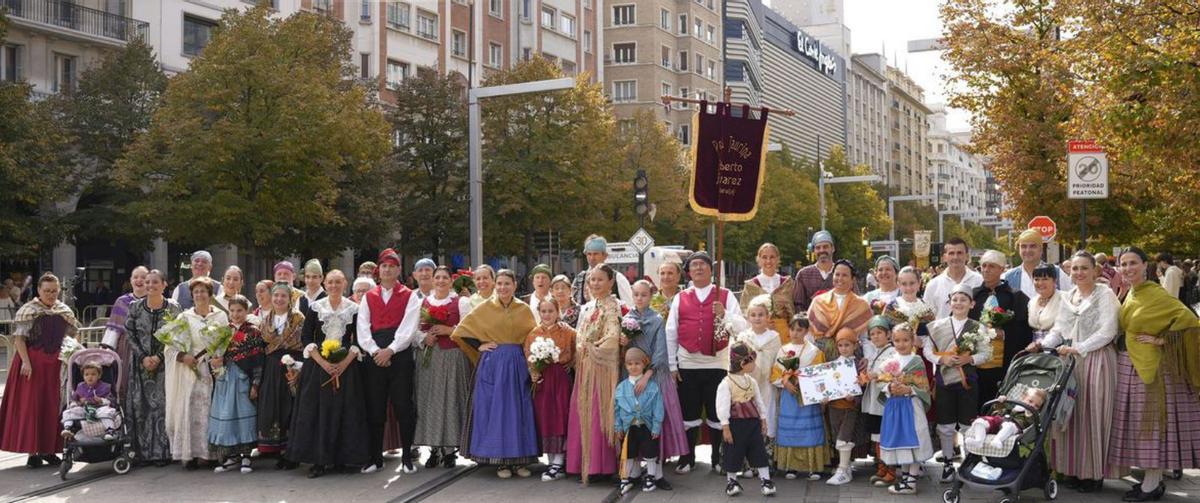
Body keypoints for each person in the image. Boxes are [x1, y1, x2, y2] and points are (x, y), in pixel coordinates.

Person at [1108, 247, 1200, 502]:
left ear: (1146, 265)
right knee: (1142, 427)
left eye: (1133, 263)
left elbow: (1191, 323)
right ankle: (1153, 481)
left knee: (1151, 427)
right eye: (1123, 264)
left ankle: (1151, 485)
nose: (1127, 268)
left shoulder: (1156, 294)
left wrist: (1162, 341)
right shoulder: (1134, 293)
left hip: (1152, 370)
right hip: (1134, 366)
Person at [1028, 251, 1119, 492]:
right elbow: (1060, 328)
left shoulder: (1105, 295)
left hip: (1096, 360)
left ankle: (1093, 474)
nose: (1078, 273)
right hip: (1070, 361)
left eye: (1084, 268)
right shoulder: (1069, 296)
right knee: (1071, 415)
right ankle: (1073, 469)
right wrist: (1042, 344)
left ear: (1094, 270)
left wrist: (1079, 347)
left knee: (1093, 416)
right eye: (1074, 268)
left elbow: (1108, 331)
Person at [451, 269, 540, 478]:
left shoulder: (524, 309)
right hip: (494, 365)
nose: (502, 287)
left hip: (518, 364)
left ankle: (520, 459)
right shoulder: (484, 308)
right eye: (499, 283)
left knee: (519, 411)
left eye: (507, 283)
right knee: (497, 412)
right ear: (495, 285)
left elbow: (533, 335)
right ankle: (501, 462)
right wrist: (479, 345)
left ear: (515, 285)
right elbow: (461, 332)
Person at [665, 251, 748, 474]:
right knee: (688, 413)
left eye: (703, 265)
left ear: (711, 270)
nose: (698, 269)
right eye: (694, 266)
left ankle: (717, 458)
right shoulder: (680, 298)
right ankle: (687, 457)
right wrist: (672, 366)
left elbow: (742, 328)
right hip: (688, 363)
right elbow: (671, 332)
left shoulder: (726, 295)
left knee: (716, 412)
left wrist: (725, 314)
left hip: (717, 364)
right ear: (688, 272)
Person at [289, 270, 370, 478]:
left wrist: (343, 364)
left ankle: (342, 458)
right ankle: (319, 461)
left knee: (344, 412)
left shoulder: (355, 308)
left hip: (347, 368)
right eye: (331, 282)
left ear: (345, 284)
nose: (334, 285)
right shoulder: (316, 308)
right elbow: (307, 337)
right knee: (318, 413)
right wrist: (323, 363)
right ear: (325, 284)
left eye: (338, 282)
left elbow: (358, 340)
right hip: (318, 368)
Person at [355, 248, 422, 474]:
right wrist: (375, 351)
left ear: (398, 270)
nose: (387, 270)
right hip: (375, 356)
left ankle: (406, 457)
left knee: (404, 406)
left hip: (399, 355)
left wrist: (391, 350)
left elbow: (409, 327)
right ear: (378, 270)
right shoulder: (369, 297)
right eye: (384, 266)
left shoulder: (409, 295)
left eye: (392, 266)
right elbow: (362, 328)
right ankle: (375, 457)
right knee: (375, 407)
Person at [925, 284, 990, 483]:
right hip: (944, 380)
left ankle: (968, 463)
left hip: (967, 382)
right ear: (949, 303)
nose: (958, 303)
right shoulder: (937, 326)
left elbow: (986, 353)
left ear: (972, 303)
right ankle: (946, 463)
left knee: (966, 424)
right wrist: (941, 360)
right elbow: (928, 350)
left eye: (963, 299)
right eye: (955, 299)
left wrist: (969, 360)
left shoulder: (978, 327)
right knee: (945, 425)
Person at [165, 276, 228, 469]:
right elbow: (170, 345)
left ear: (210, 295)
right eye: (196, 292)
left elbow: (226, 342)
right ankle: (189, 454)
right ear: (192, 296)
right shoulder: (184, 317)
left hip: (211, 370)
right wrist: (184, 356)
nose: (200, 295)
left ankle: (208, 454)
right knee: (189, 411)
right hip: (189, 371)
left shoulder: (220, 316)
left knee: (209, 411)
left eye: (203, 291)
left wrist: (219, 357)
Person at [567, 265, 622, 484]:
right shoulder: (589, 307)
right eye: (592, 280)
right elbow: (579, 334)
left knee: (599, 411)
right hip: (585, 366)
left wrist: (593, 348)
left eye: (600, 280)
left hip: (602, 370)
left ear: (610, 282)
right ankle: (580, 462)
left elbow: (613, 336)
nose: (595, 284)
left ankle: (602, 465)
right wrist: (580, 346)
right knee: (582, 410)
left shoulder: (613, 307)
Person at [414, 266, 473, 469]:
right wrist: (424, 338)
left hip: (453, 357)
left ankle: (450, 450)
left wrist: (450, 330)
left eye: (444, 278)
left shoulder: (461, 302)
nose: (440, 281)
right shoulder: (421, 302)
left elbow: (470, 329)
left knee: (451, 400)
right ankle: (434, 449)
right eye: (436, 277)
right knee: (429, 401)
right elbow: (411, 331)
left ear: (451, 280)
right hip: (429, 359)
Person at [627, 280, 688, 476]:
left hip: (654, 376)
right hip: (632, 375)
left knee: (655, 422)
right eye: (636, 294)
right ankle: (635, 467)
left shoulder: (657, 320)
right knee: (635, 422)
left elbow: (661, 352)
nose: (639, 298)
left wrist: (647, 375)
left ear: (651, 296)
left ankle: (657, 469)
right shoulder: (627, 319)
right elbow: (625, 352)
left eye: (644, 295)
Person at [123, 269, 179, 466]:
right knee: (140, 407)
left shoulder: (173, 308)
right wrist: (143, 356)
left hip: (164, 365)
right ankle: (140, 452)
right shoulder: (135, 307)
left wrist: (158, 356)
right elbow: (129, 334)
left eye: (155, 282)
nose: (150, 285)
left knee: (162, 407)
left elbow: (176, 336)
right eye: (148, 282)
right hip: (140, 365)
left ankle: (162, 452)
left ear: (164, 285)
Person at [208, 295, 264, 474]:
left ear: (247, 311)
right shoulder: (224, 331)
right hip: (225, 379)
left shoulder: (253, 332)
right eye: (232, 310)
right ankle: (231, 456)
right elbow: (215, 356)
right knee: (226, 415)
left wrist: (255, 384)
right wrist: (215, 361)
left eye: (239, 310)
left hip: (243, 379)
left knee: (244, 416)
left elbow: (258, 360)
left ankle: (246, 456)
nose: (235, 314)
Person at [876, 323, 934, 496]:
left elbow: (923, 386)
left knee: (914, 440)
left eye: (906, 340)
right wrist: (889, 388)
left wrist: (909, 389)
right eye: (897, 340)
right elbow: (881, 381)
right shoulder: (889, 362)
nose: (901, 344)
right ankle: (905, 479)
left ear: (912, 341)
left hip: (911, 406)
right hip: (894, 407)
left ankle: (912, 481)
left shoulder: (916, 361)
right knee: (902, 442)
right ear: (892, 340)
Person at [525, 296, 577, 481]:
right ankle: (551, 460)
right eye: (544, 311)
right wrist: (533, 372)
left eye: (551, 311)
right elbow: (528, 357)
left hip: (560, 379)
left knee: (560, 415)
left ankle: (559, 461)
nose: (547, 315)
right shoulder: (533, 333)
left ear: (558, 312)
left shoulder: (568, 332)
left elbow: (576, 351)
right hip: (543, 380)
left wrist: (570, 363)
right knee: (545, 416)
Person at [970, 250, 1032, 403]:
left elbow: (1024, 329)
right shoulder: (973, 295)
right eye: (983, 266)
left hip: (1004, 363)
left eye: (992, 266)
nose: (986, 270)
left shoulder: (1016, 296)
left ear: (1002, 269)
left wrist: (1004, 334)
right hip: (977, 365)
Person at [772, 315, 828, 480]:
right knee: (791, 428)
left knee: (808, 428)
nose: (795, 333)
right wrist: (785, 382)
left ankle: (814, 467)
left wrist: (808, 386)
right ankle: (791, 466)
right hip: (789, 395)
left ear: (806, 331)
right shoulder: (782, 350)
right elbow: (775, 373)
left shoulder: (814, 351)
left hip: (807, 396)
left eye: (799, 330)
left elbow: (819, 374)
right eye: (792, 329)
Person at [717, 342, 776, 497]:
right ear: (743, 363)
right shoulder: (726, 383)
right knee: (733, 452)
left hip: (753, 423)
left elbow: (758, 401)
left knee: (759, 451)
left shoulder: (751, 381)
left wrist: (763, 419)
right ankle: (732, 481)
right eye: (752, 361)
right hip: (735, 425)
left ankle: (766, 480)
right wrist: (725, 426)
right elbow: (722, 406)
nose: (754, 365)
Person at [257, 282, 305, 469]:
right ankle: (274, 447)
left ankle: (292, 452)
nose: (279, 299)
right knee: (273, 405)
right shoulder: (266, 320)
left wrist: (297, 368)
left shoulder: (298, 318)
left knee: (290, 407)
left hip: (292, 364)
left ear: (289, 298)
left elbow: (301, 343)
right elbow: (265, 345)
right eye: (276, 295)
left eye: (283, 296)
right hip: (271, 367)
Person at [615, 347, 666, 494]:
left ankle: (651, 476)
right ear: (625, 366)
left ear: (644, 364)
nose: (633, 367)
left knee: (650, 451)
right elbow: (616, 409)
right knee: (628, 452)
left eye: (637, 363)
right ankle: (626, 478)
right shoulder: (621, 387)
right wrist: (618, 426)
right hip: (629, 427)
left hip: (647, 426)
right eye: (630, 364)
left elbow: (658, 408)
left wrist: (656, 426)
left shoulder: (652, 386)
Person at [734, 295, 780, 442]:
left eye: (761, 315)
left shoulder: (774, 337)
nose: (757, 318)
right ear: (748, 318)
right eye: (753, 315)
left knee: (768, 408)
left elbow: (778, 359)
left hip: (768, 382)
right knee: (750, 409)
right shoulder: (744, 337)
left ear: (768, 317)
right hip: (749, 382)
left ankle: (767, 443)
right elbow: (738, 359)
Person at [807, 259, 872, 362]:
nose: (840, 278)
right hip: (822, 357)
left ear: (852, 279)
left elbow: (865, 338)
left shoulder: (862, 305)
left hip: (851, 358)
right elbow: (809, 335)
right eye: (837, 274)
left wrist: (868, 358)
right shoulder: (818, 301)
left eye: (845, 275)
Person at [101, 265, 148, 400]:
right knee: (125, 383)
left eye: (143, 277)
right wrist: (106, 353)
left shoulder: (154, 301)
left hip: (148, 349)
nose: (139, 280)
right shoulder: (122, 302)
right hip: (126, 349)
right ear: (131, 280)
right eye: (136, 277)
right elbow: (113, 330)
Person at [825, 328, 865, 486]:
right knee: (837, 435)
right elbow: (827, 384)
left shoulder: (858, 365)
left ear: (855, 346)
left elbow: (863, 386)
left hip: (850, 408)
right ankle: (846, 467)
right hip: (834, 406)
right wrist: (824, 396)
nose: (844, 348)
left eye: (847, 345)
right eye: (840, 345)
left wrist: (855, 397)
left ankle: (842, 470)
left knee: (844, 437)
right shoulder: (833, 365)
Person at [861, 316, 897, 487]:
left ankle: (891, 471)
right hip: (874, 401)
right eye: (872, 334)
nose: (875, 336)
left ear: (888, 334)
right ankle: (882, 467)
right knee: (877, 435)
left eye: (879, 333)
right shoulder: (875, 352)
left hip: (885, 402)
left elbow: (896, 374)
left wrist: (878, 375)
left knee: (886, 435)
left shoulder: (893, 352)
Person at [739, 243, 795, 344]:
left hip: (784, 333)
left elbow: (792, 308)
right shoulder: (751, 285)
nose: (768, 261)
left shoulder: (787, 283)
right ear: (758, 260)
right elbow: (744, 311)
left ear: (778, 259)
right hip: (758, 333)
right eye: (764, 257)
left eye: (772, 257)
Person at [963, 388, 1046, 451]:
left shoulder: (1032, 415)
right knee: (980, 421)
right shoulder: (1014, 406)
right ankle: (978, 441)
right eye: (1030, 401)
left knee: (1009, 426)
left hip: (1013, 427)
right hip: (999, 421)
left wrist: (1029, 412)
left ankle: (997, 440)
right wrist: (1001, 402)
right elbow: (1000, 410)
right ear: (1023, 398)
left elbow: (1030, 422)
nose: (1032, 405)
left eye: (1036, 406)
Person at [1002, 229, 1071, 300]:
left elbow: (1070, 299)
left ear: (1041, 249)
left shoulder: (1057, 273)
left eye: (1032, 246)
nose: (1027, 250)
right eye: (1023, 246)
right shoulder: (1008, 277)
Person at [923, 238, 983, 319]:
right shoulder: (933, 285)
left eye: (959, 253)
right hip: (943, 331)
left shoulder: (980, 281)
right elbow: (928, 318)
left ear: (967, 256)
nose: (955, 257)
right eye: (951, 253)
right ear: (944, 257)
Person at [61, 362, 119, 441]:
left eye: (93, 374)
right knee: (68, 411)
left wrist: (102, 400)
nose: (90, 377)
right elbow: (74, 400)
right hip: (84, 409)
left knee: (106, 412)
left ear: (99, 376)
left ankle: (110, 430)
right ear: (83, 376)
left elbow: (112, 400)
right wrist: (78, 403)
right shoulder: (80, 387)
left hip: (99, 408)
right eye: (87, 374)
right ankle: (68, 428)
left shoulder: (105, 387)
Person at [571, 235, 634, 306]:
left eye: (595, 254)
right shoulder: (580, 278)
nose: (592, 258)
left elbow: (629, 306)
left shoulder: (617, 278)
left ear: (605, 255)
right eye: (589, 254)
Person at [792, 230, 837, 313]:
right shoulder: (803, 274)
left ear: (833, 248)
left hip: (840, 323)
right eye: (818, 247)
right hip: (811, 323)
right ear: (814, 251)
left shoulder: (843, 273)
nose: (821, 250)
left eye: (825, 247)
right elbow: (798, 305)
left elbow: (854, 301)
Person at [1027, 264, 1063, 346]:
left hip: (1058, 348)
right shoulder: (1032, 301)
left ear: (1054, 280)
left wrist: (1042, 345)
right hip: (1036, 349)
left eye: (1045, 279)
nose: (1040, 283)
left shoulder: (1064, 299)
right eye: (1036, 279)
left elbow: (1060, 330)